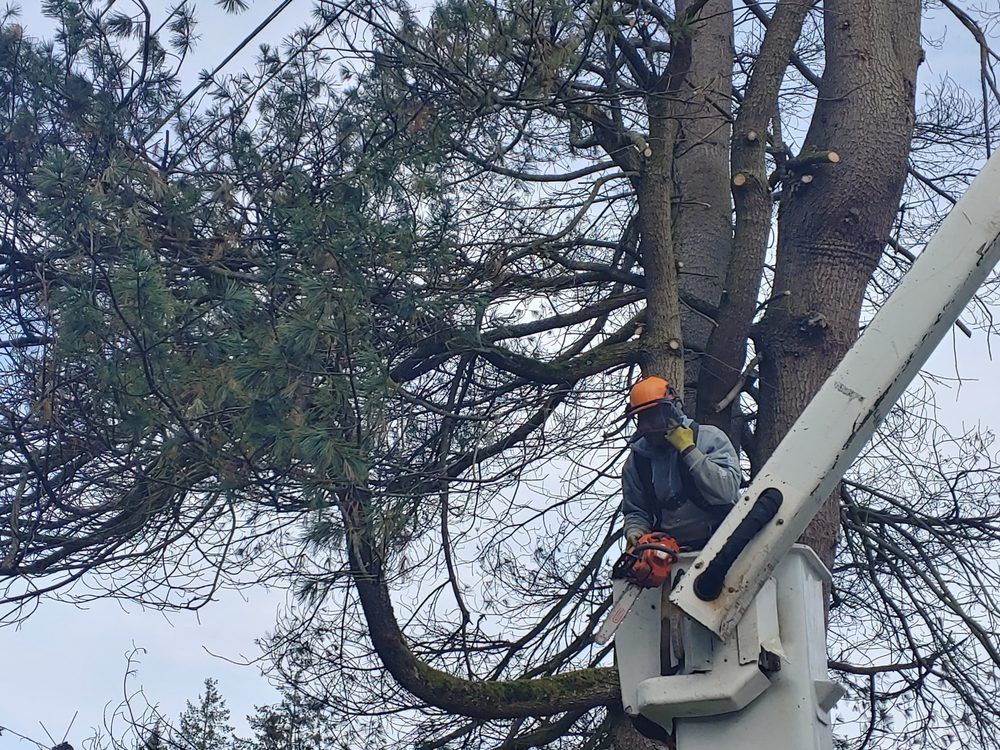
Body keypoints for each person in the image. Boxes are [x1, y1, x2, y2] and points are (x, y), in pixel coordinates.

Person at [621, 375, 741, 551]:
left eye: (653, 416)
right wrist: (635, 531)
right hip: (669, 552)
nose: (647, 426)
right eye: (642, 418)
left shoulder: (709, 438)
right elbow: (636, 510)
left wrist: (689, 450)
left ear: (671, 412)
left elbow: (726, 491)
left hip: (725, 542)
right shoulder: (637, 462)